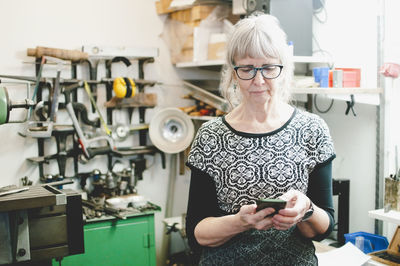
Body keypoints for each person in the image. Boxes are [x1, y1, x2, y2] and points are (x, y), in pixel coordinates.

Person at [185, 13, 336, 266]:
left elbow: (324, 228)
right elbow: (196, 233)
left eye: (268, 67)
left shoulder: (312, 130)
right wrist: (239, 222)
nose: (258, 80)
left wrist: (306, 209)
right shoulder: (211, 137)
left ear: (283, 69)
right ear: (233, 73)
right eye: (247, 68)